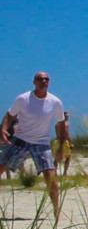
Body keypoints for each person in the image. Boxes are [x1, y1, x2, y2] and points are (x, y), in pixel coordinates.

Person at [0, 71, 66, 220]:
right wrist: (3, 129)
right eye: (40, 79)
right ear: (34, 82)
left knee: (50, 177)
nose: (43, 81)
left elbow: (61, 123)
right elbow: (10, 115)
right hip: (20, 139)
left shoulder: (55, 102)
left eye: (46, 79)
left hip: (41, 142)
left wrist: (61, 146)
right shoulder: (23, 99)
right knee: (1, 167)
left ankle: (57, 211)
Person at [51, 111, 73, 176]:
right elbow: (67, 134)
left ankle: (58, 172)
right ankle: (63, 172)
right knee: (66, 157)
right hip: (62, 141)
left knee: (59, 158)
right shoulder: (63, 124)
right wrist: (70, 143)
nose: (67, 117)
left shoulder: (58, 124)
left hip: (59, 141)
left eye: (67, 116)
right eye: (66, 116)